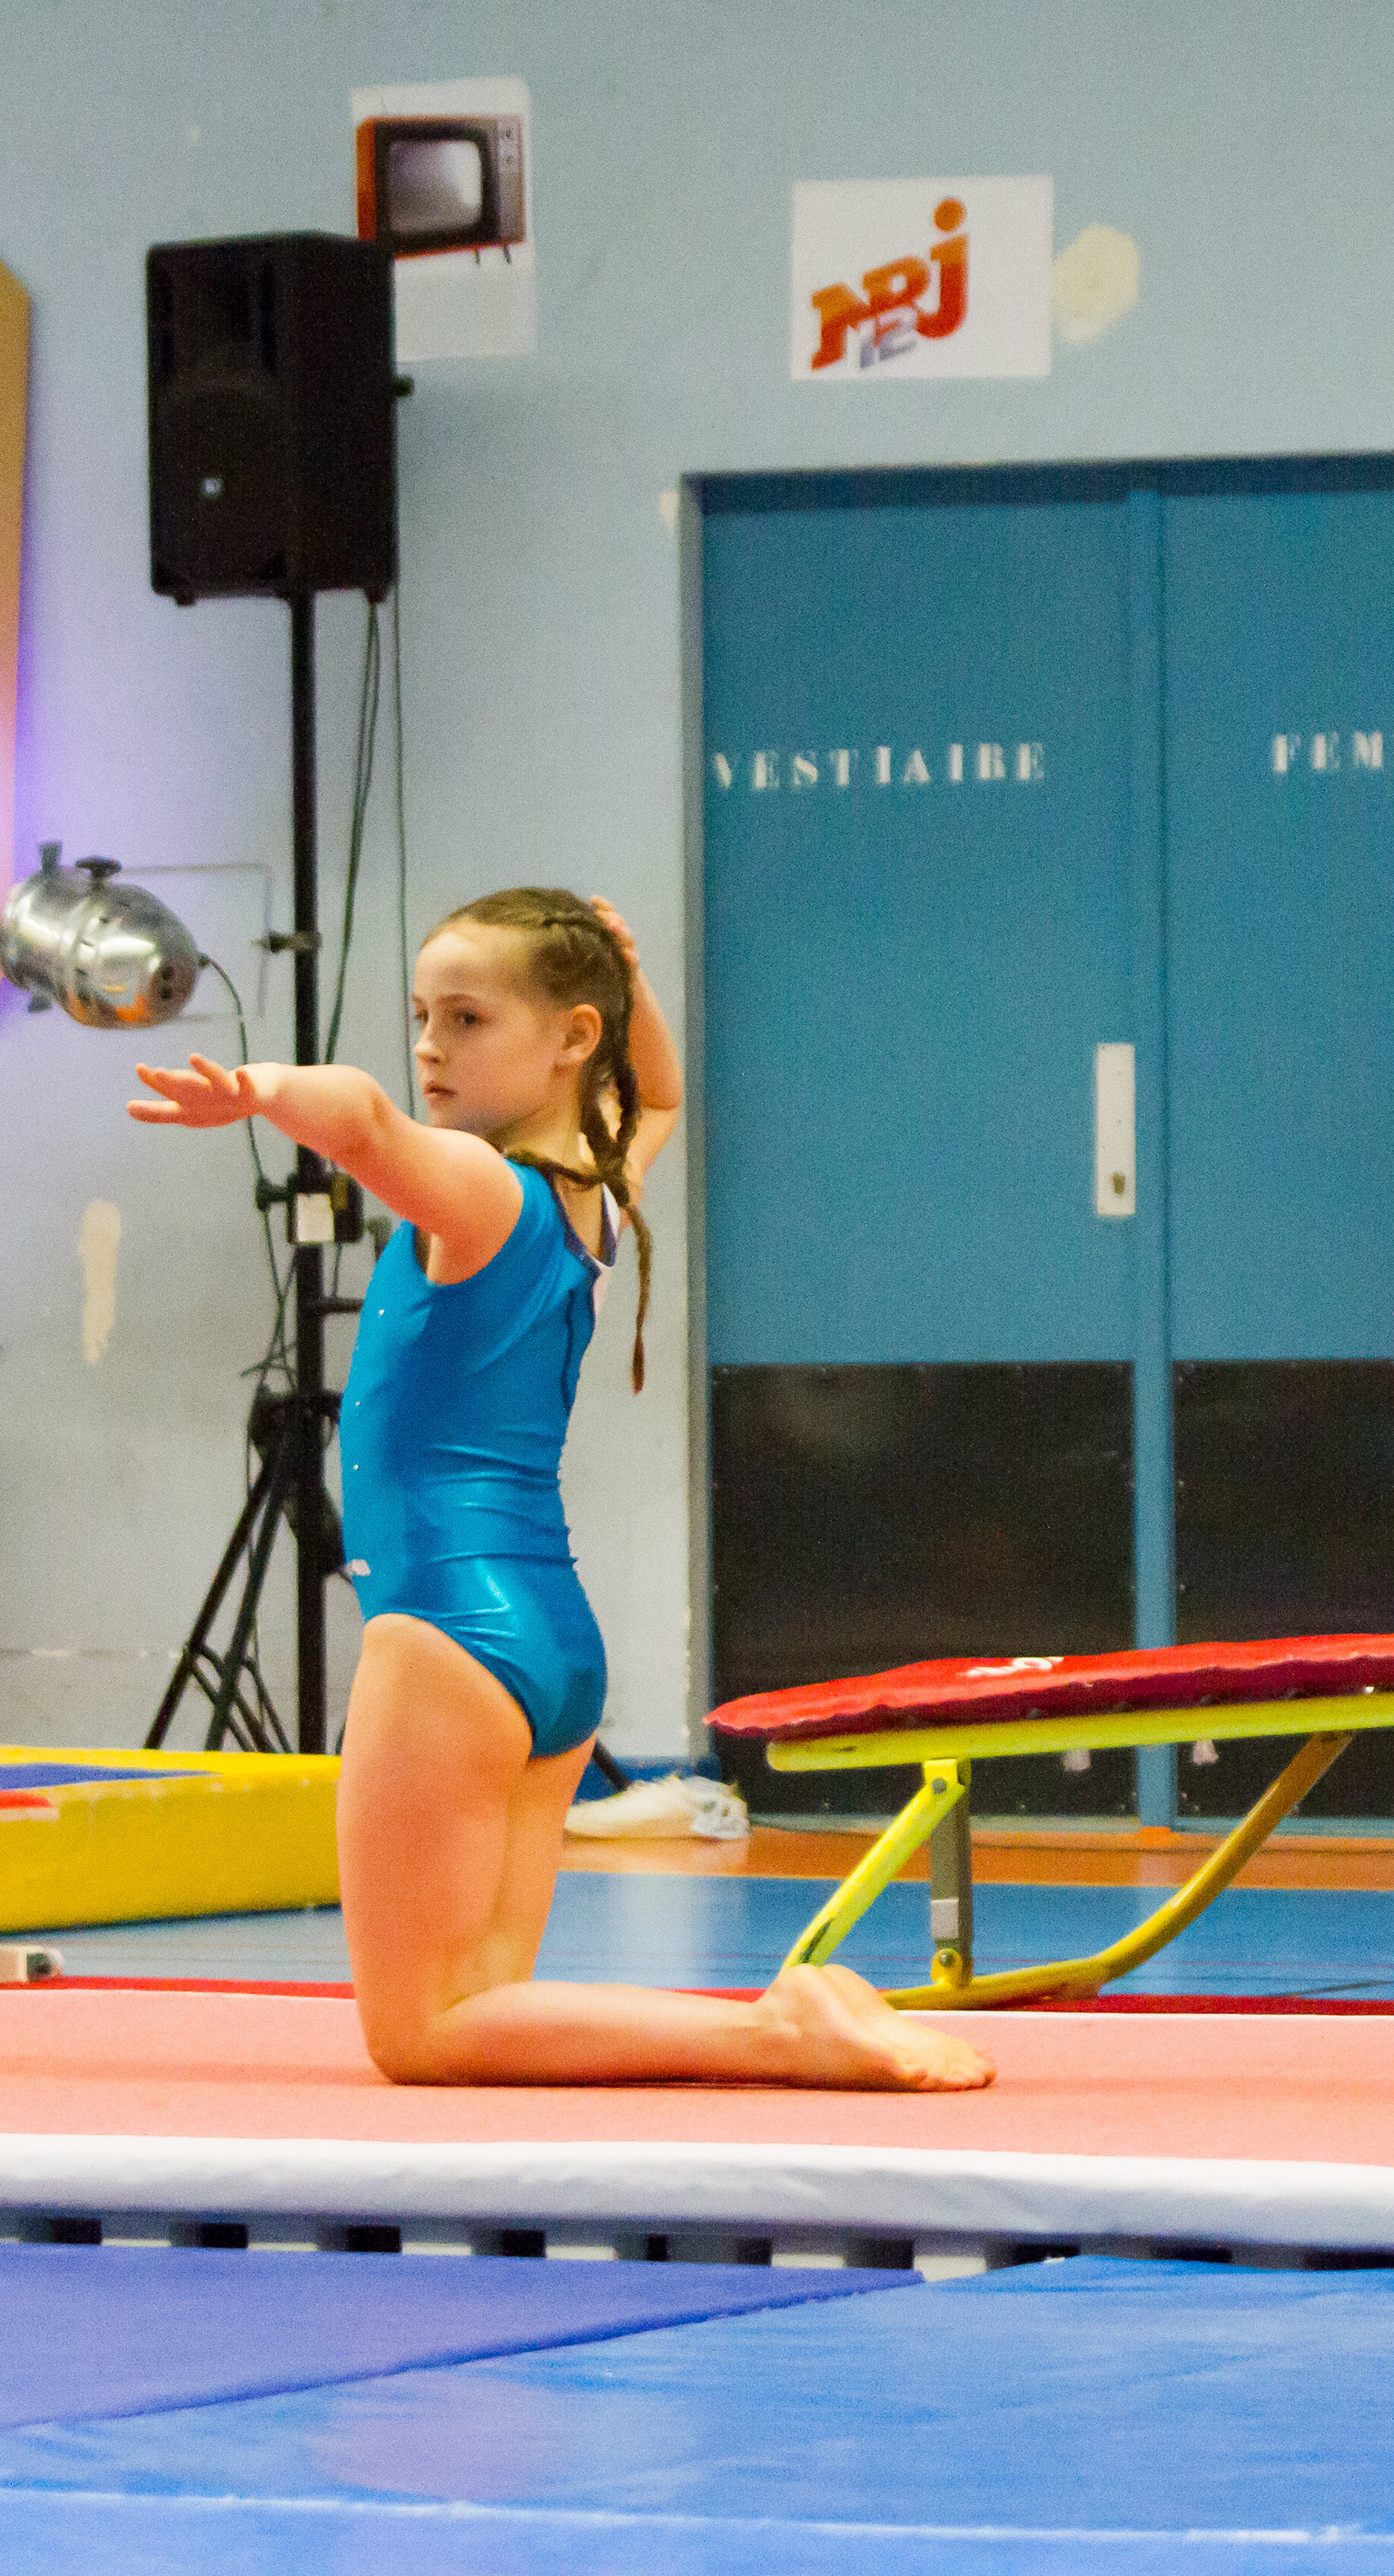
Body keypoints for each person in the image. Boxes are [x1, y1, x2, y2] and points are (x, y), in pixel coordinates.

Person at [128, 887, 993, 2091]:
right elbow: (664, 1096)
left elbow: (364, 1118)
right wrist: (627, 982)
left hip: (442, 1631)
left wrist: (260, 1089)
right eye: (421, 1016)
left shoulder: (481, 1193)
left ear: (571, 1037)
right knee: (481, 2006)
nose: (431, 1046)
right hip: (546, 1634)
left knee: (418, 2034)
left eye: (468, 1018)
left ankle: (777, 2032)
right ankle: (789, 2026)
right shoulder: (594, 1184)